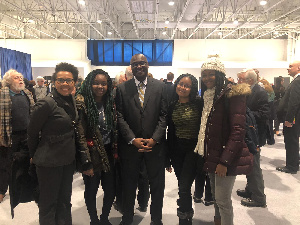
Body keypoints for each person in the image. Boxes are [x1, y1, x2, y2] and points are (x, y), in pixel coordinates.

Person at [196, 55, 253, 225]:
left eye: (211, 74)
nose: (207, 78)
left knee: (223, 200)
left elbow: (238, 131)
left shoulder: (233, 94)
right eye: (204, 74)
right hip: (211, 153)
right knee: (216, 197)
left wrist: (225, 161)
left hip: (225, 157)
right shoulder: (208, 95)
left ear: (220, 74)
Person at [116, 54, 167, 225]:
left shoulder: (160, 87)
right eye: (135, 64)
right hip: (131, 148)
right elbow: (120, 116)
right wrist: (132, 139)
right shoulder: (122, 89)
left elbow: (163, 115)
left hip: (155, 147)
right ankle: (127, 218)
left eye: (142, 63)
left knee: (157, 186)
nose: (139, 67)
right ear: (131, 67)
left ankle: (156, 219)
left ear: (148, 65)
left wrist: (155, 138)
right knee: (129, 185)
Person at [27, 62, 80, 225]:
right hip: (48, 161)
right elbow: (32, 132)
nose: (65, 83)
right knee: (48, 203)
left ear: (74, 82)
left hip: (67, 160)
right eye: (61, 80)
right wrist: (34, 155)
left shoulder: (71, 99)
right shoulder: (46, 103)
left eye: (69, 80)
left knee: (65, 200)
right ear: (54, 82)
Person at [76, 69, 117, 225]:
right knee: (92, 190)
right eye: (96, 83)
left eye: (104, 83)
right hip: (91, 153)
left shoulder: (110, 102)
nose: (100, 86)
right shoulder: (82, 103)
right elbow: (80, 135)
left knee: (110, 189)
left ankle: (104, 218)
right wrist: (86, 163)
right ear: (89, 84)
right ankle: (94, 220)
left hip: (109, 152)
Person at [166, 73, 203, 225]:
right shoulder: (172, 105)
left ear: (192, 88)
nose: (183, 87)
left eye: (187, 86)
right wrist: (167, 157)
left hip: (193, 150)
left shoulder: (199, 104)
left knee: (184, 186)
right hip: (177, 150)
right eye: (181, 84)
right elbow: (170, 131)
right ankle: (185, 214)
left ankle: (184, 218)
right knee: (182, 183)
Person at [0, 69, 35, 203]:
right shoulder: (2, 95)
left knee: (25, 162)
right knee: (5, 164)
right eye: (16, 78)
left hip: (26, 134)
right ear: (8, 81)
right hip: (9, 136)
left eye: (21, 77)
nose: (20, 79)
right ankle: (2, 190)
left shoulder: (27, 94)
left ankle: (23, 189)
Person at [236, 69, 268, 208]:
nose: (238, 82)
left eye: (241, 79)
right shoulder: (247, 91)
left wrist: (245, 115)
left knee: (254, 166)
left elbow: (264, 114)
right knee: (249, 164)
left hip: (255, 135)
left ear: (249, 80)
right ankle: (250, 190)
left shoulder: (260, 92)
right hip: (248, 134)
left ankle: (259, 198)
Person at [276, 60, 300, 174]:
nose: (288, 68)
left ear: (298, 68)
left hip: (293, 118)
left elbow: (294, 102)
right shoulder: (296, 81)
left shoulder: (297, 81)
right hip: (294, 117)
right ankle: (294, 163)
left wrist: (289, 119)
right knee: (292, 140)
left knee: (291, 141)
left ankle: (291, 166)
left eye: (291, 66)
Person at [260, 79, 275, 145]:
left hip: (267, 108)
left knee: (266, 125)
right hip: (271, 108)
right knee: (271, 125)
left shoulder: (263, 90)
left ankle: (267, 139)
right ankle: (271, 140)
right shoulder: (271, 90)